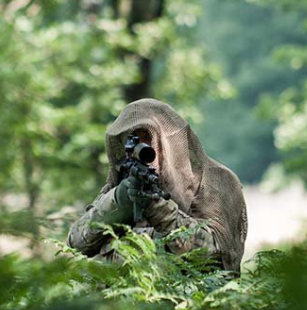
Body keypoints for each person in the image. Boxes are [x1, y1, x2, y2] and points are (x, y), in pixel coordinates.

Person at [67, 98, 248, 273]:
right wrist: (117, 202)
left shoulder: (216, 181)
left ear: (169, 142)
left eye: (149, 140)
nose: (143, 149)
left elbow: (217, 259)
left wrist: (157, 208)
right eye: (133, 141)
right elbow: (76, 243)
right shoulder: (123, 183)